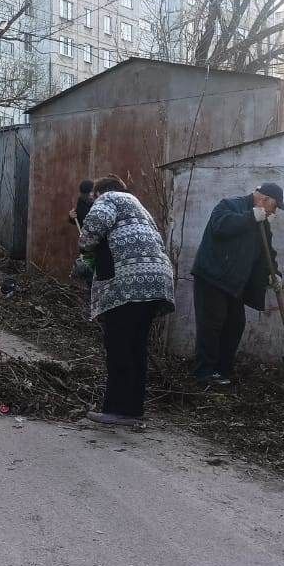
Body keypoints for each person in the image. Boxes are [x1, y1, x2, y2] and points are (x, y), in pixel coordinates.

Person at [78, 176, 175, 427]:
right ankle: (133, 409)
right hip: (157, 281)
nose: (93, 201)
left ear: (100, 192)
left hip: (130, 283)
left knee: (119, 345)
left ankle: (115, 410)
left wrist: (85, 246)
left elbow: (93, 228)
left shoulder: (109, 198)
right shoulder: (139, 208)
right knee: (136, 346)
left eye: (93, 197)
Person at [191, 182, 284, 387]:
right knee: (211, 325)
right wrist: (251, 217)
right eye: (275, 206)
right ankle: (204, 373)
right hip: (212, 277)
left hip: (234, 283)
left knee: (235, 325)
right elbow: (221, 227)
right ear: (264, 200)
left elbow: (266, 253)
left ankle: (222, 371)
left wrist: (273, 273)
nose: (275, 211)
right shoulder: (229, 205)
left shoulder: (263, 222)